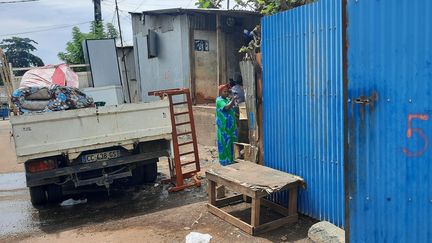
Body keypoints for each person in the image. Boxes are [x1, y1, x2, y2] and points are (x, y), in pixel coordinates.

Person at [216, 84, 238, 166]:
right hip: (224, 128)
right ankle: (224, 161)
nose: (226, 93)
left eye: (227, 92)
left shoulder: (228, 99)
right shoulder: (219, 100)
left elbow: (234, 107)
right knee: (224, 143)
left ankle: (231, 160)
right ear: (220, 92)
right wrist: (233, 100)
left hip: (230, 128)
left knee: (231, 144)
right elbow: (226, 108)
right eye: (224, 92)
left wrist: (232, 99)